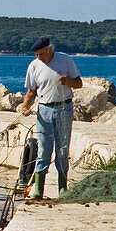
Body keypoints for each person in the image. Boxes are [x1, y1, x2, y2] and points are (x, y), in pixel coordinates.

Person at [19, 37, 83, 198]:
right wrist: (25, 107)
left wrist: (68, 81)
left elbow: (79, 83)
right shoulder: (33, 66)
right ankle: (39, 189)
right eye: (36, 54)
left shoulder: (65, 60)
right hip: (44, 110)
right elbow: (31, 92)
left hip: (63, 108)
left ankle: (62, 188)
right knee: (43, 149)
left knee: (62, 149)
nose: (38, 57)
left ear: (49, 49)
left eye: (40, 53)